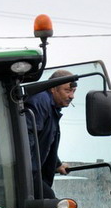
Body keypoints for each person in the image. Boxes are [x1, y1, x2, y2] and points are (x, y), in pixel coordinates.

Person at [25, 69, 76, 199]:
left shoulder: (50, 105)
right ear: (53, 88)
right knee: (47, 199)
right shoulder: (40, 102)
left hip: (31, 172)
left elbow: (46, 141)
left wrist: (57, 164)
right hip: (26, 173)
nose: (72, 96)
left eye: (73, 91)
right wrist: (28, 173)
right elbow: (28, 138)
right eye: (67, 90)